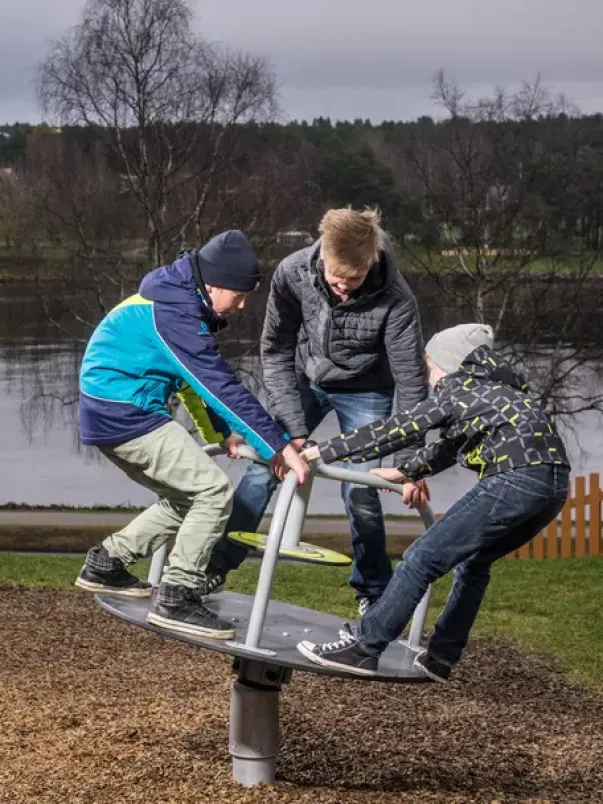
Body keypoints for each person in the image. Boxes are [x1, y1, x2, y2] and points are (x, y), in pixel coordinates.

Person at [296, 323, 570, 680]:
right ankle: (440, 657)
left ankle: (365, 647)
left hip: (515, 479)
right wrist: (405, 471)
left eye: (429, 367)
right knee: (474, 562)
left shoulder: (459, 389)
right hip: (554, 487)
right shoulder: (500, 393)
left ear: (449, 363)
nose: (428, 377)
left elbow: (395, 429)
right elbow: (451, 447)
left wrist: (319, 452)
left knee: (420, 558)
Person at [74, 230, 309, 639]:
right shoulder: (175, 314)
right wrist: (277, 445)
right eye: (239, 295)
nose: (241, 304)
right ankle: (177, 596)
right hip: (126, 413)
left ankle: (106, 563)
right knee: (213, 493)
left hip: (110, 413)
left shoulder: (173, 299)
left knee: (187, 497)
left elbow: (189, 382)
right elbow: (219, 385)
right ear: (214, 284)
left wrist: (223, 433)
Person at [207, 208, 429, 615]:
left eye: (354, 280)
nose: (343, 289)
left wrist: (410, 462)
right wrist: (291, 428)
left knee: (360, 489)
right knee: (264, 465)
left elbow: (411, 380)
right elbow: (275, 349)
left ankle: (373, 595)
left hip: (367, 388)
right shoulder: (292, 273)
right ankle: (213, 568)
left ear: (373, 261)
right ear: (323, 255)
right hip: (304, 378)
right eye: (336, 278)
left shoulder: (397, 299)